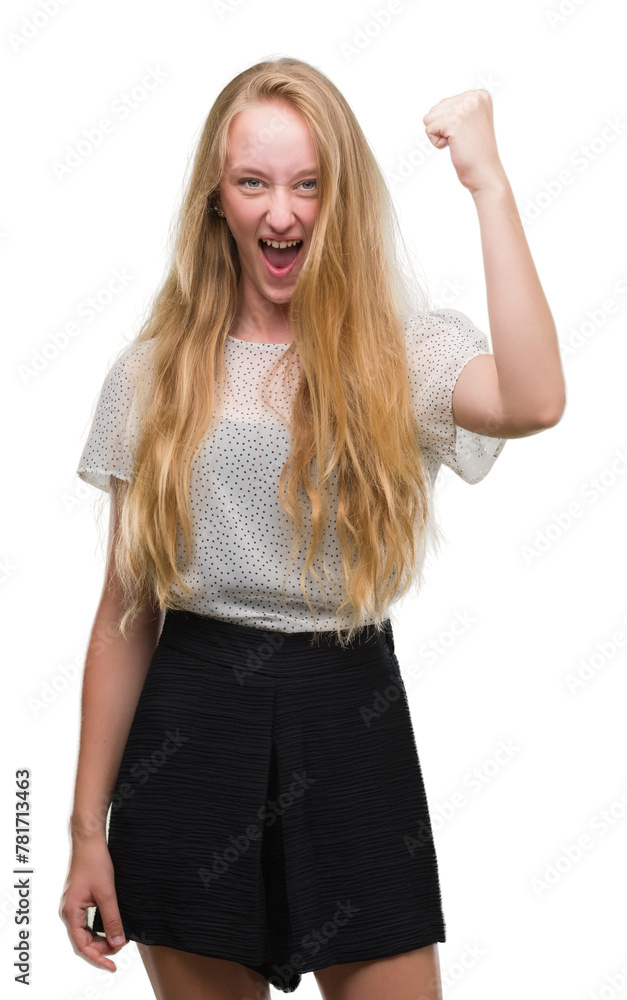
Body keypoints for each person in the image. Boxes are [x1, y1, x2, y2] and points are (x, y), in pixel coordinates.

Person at [59, 56, 566, 1000]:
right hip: (192, 733)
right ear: (217, 198)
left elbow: (535, 399)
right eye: (252, 182)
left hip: (350, 719)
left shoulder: (401, 354)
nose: (280, 213)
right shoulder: (153, 374)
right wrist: (87, 832)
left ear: (344, 199)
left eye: (308, 184)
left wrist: (488, 184)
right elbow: (123, 615)